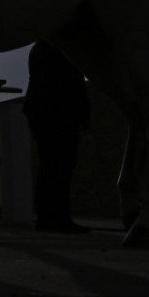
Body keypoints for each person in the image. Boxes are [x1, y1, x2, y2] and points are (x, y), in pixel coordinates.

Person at [23, 41, 91, 233]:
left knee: (52, 167)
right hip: (58, 112)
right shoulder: (62, 48)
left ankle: (50, 218)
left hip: (49, 112)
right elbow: (74, 81)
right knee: (58, 167)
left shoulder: (43, 47)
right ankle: (57, 218)